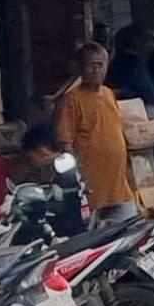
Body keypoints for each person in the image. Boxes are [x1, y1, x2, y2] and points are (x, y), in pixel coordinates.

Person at [51, 43, 138, 220]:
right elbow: (65, 142)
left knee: (129, 230)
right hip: (90, 188)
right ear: (80, 68)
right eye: (91, 65)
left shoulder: (108, 94)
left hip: (118, 187)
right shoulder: (71, 100)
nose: (96, 70)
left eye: (101, 65)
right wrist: (76, 178)